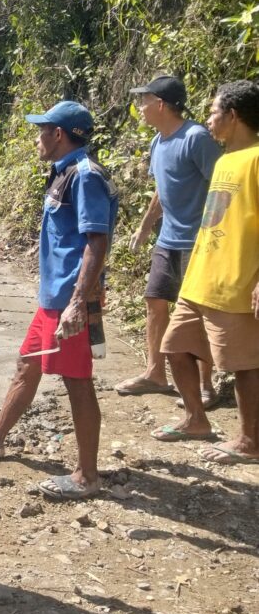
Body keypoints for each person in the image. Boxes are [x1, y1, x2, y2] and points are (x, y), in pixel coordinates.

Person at [0, 101, 118, 501]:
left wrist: (78, 302)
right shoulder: (65, 174)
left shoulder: (85, 177)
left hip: (68, 301)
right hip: (53, 299)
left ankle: (86, 476)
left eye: (42, 130)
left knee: (77, 382)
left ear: (59, 134)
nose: (37, 137)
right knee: (28, 364)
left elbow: (97, 241)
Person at [160, 80, 259, 462]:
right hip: (202, 278)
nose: (209, 119)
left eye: (215, 112)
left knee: (245, 366)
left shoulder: (254, 158)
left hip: (236, 281)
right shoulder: (224, 159)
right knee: (175, 346)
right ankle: (196, 419)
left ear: (233, 116)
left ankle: (249, 442)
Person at [115, 76, 221, 407]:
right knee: (155, 302)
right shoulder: (158, 142)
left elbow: (222, 187)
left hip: (198, 242)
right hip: (168, 239)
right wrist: (146, 228)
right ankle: (155, 374)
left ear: (161, 104)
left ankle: (206, 385)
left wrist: (215, 234)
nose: (140, 108)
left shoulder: (196, 138)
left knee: (198, 312)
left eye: (144, 101)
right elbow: (162, 189)